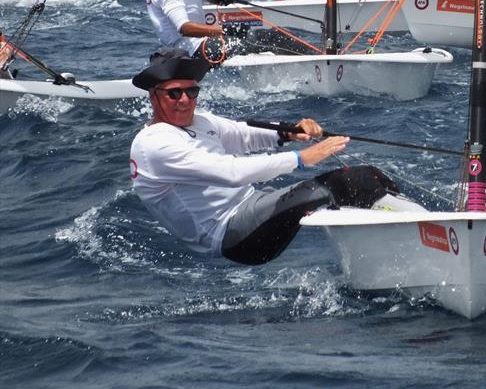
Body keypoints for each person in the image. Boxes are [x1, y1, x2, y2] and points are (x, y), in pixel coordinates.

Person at [129, 48, 398, 264]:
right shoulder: (154, 144)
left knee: (369, 177)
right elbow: (230, 172)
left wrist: (291, 131)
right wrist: (302, 157)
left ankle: (401, 239)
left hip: (254, 207)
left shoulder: (199, 121)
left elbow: (243, 134)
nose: (185, 100)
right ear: (154, 98)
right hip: (231, 235)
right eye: (174, 93)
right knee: (347, 182)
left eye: (192, 91)